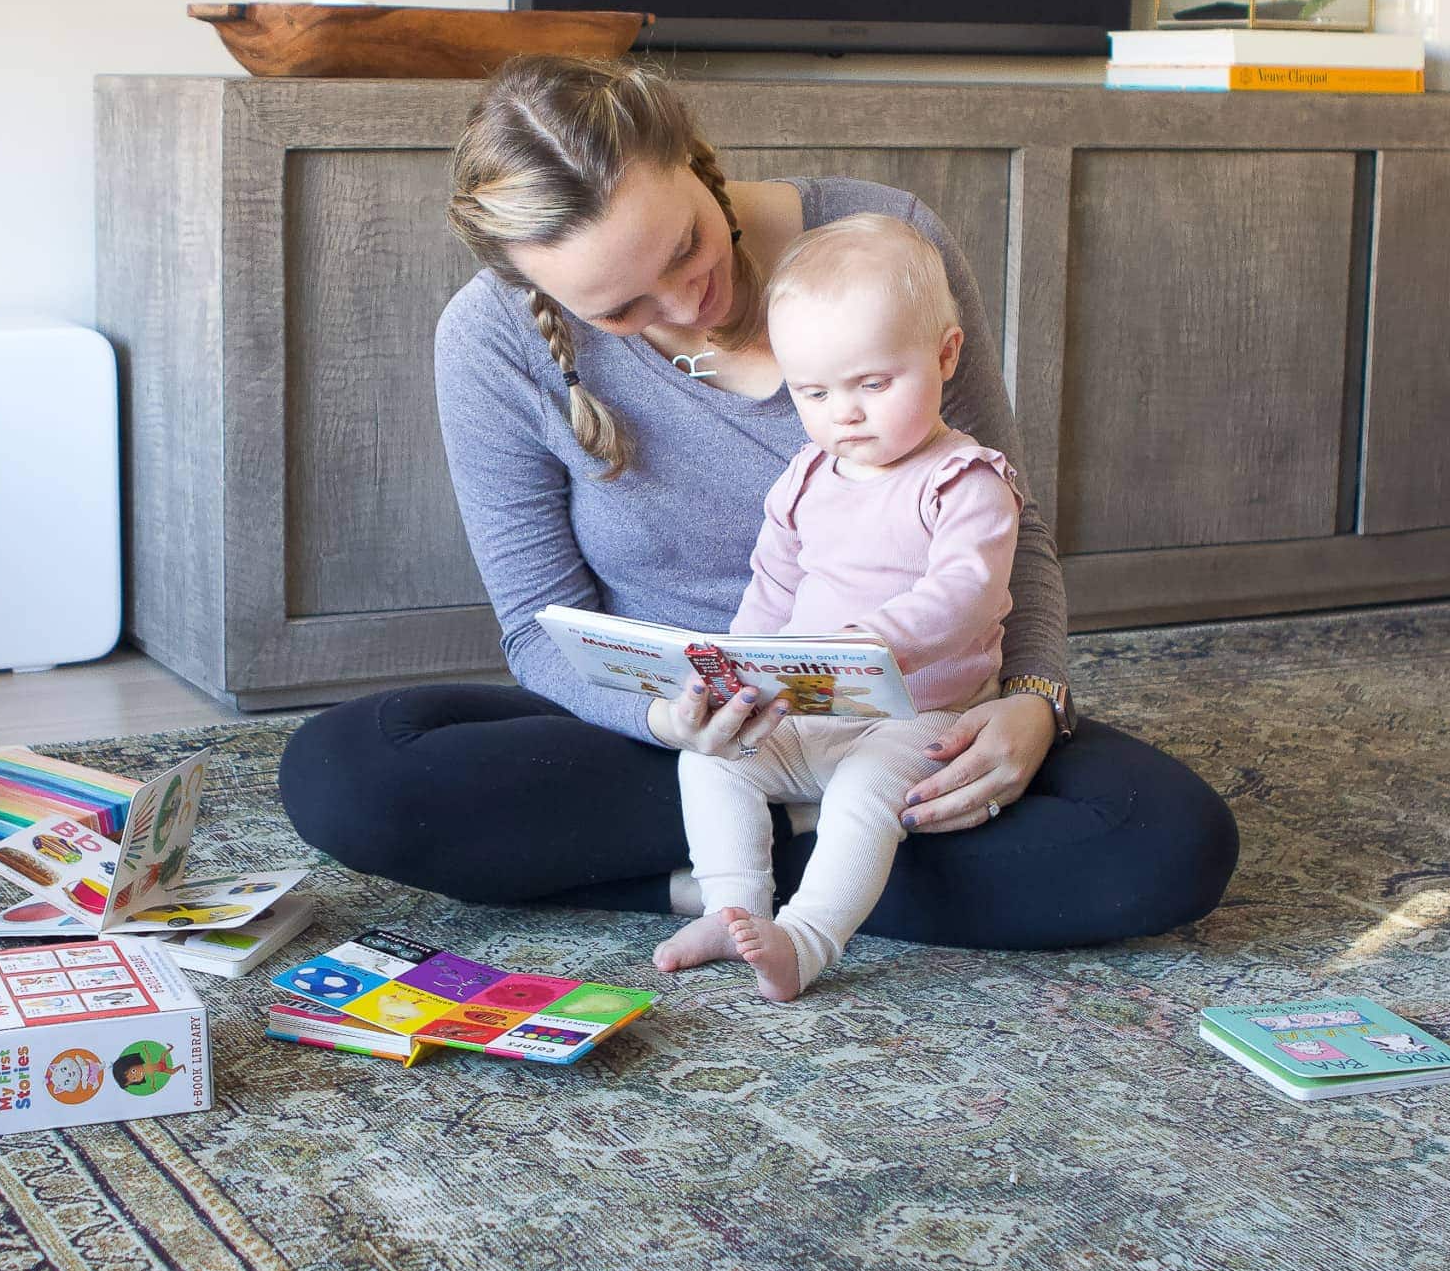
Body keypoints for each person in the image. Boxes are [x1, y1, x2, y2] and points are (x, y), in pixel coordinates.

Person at [278, 56, 1237, 954]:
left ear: (696, 159)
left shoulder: (879, 245)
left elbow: (1004, 524)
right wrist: (672, 725)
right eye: (621, 309)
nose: (689, 304)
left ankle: (715, 877)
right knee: (347, 773)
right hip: (674, 736)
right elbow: (537, 633)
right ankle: (805, 870)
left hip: (909, 718)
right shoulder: (490, 340)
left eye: (687, 245)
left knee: (1165, 840)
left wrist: (1036, 700)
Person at [661, 213, 1022, 1000]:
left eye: (873, 384)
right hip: (810, 709)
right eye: (813, 392)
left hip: (919, 719)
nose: (844, 413)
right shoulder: (805, 476)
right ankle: (734, 903)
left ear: (946, 354)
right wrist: (736, 671)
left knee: (864, 795)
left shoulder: (965, 480)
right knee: (711, 760)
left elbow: (968, 594)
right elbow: (772, 587)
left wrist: (868, 641)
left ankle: (809, 938)